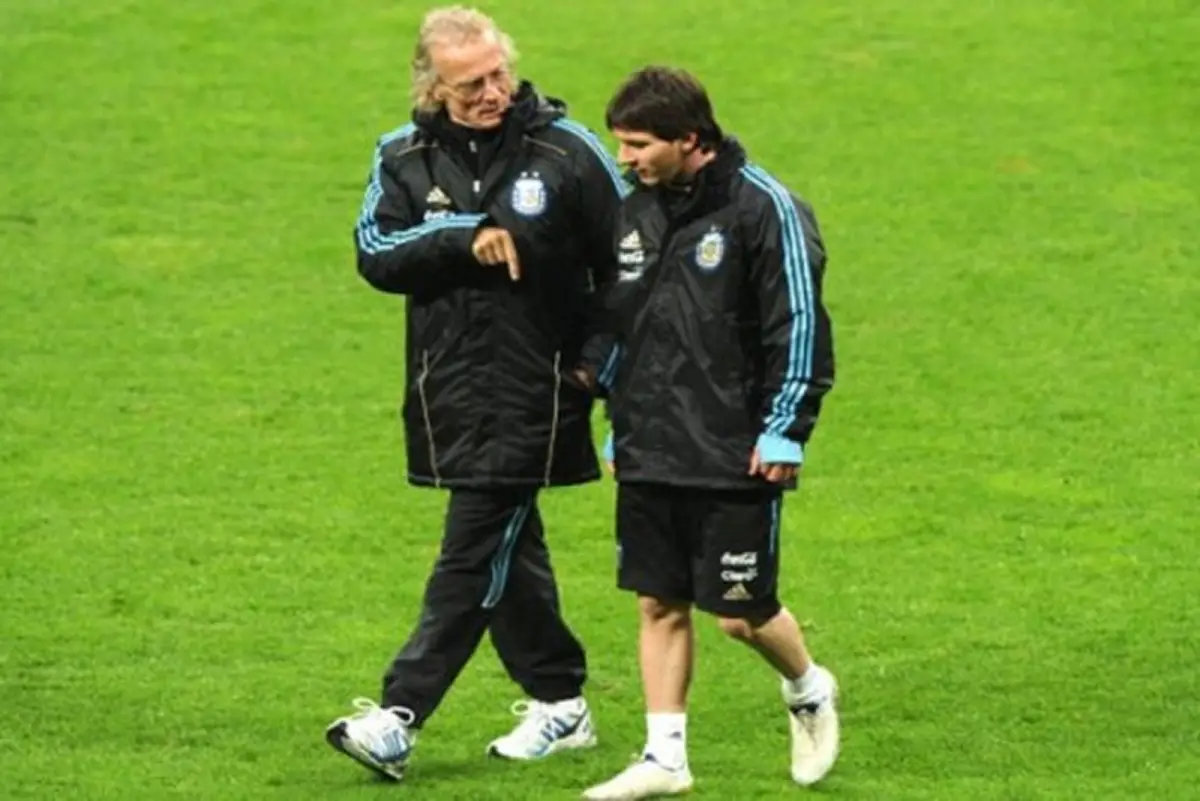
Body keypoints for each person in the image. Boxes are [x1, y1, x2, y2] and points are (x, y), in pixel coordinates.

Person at [324, 6, 627, 783]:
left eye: (499, 73)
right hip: (448, 387)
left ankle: (399, 715)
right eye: (471, 84)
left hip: (543, 387)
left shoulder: (569, 151)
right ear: (433, 86)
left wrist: (595, 367)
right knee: (505, 548)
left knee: (471, 549)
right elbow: (374, 250)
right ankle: (561, 701)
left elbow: (631, 261)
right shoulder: (402, 156)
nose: (493, 91)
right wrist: (464, 236)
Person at [580, 66, 840, 800]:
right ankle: (666, 757)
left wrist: (786, 429)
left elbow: (800, 327)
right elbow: (622, 322)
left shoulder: (767, 210)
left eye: (637, 144)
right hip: (651, 442)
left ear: (689, 139)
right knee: (658, 600)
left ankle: (809, 686)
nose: (624, 158)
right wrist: (617, 422)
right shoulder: (634, 214)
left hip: (738, 445)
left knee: (738, 612)